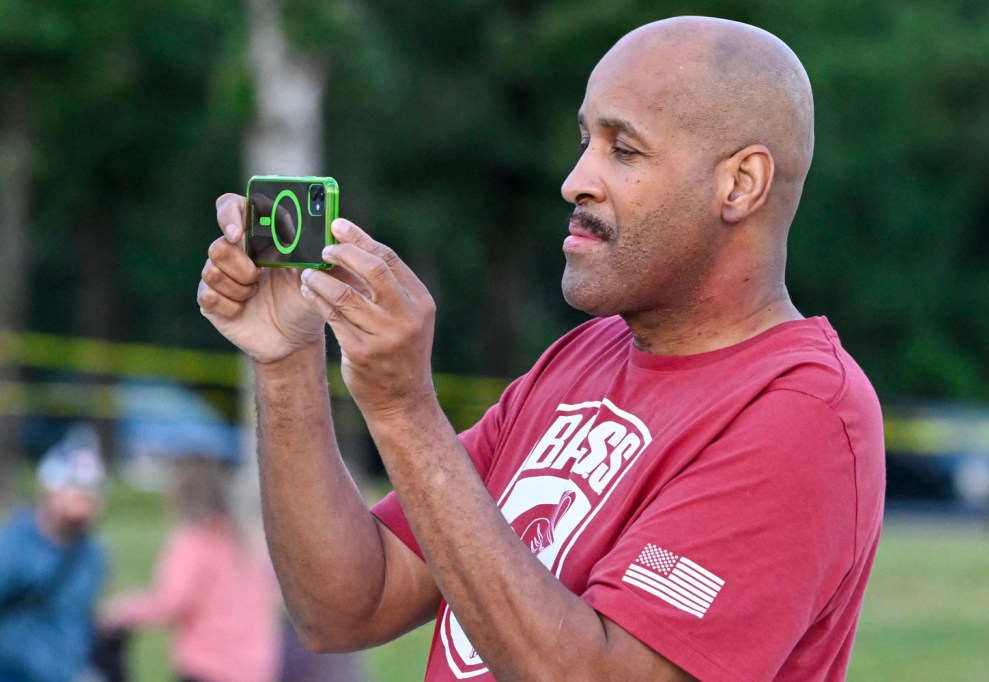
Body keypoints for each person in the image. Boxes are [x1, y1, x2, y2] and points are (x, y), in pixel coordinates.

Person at [197, 15, 885, 681]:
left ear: (740, 184)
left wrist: (404, 409)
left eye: (623, 150)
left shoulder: (803, 412)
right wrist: (286, 359)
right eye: (585, 140)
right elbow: (347, 605)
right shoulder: (581, 358)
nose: (576, 180)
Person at [101, 455, 281, 682]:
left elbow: (172, 600)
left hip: (209, 667)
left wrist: (120, 612)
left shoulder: (194, 540)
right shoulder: (247, 540)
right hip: (256, 670)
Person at [0, 425, 108, 682]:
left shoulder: (93, 555)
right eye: (74, 487)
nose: (83, 497)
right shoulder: (16, 546)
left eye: (90, 489)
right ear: (49, 490)